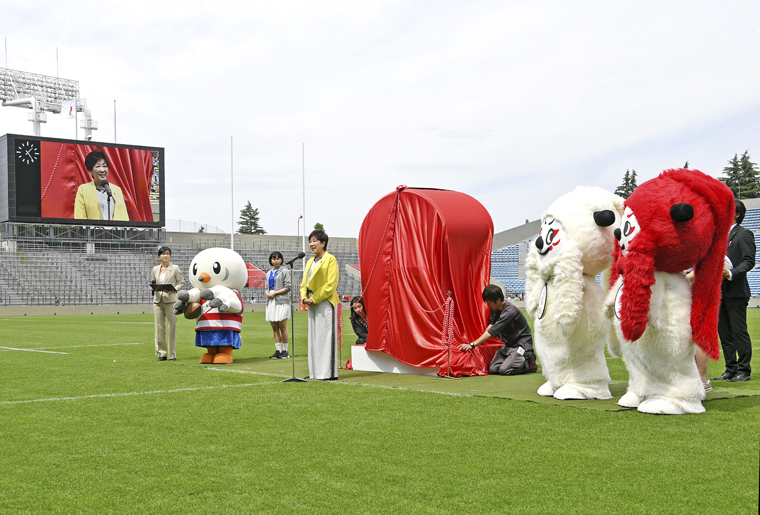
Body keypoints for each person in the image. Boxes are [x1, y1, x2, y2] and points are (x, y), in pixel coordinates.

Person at [713, 199, 755, 383]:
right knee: (725, 333)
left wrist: (730, 273)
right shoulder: (720, 235)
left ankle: (743, 370)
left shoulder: (744, 234)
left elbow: (748, 261)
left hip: (736, 291)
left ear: (736, 214)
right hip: (719, 292)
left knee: (739, 332)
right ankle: (730, 369)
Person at [458, 284, 536, 376]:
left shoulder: (509, 312)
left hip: (521, 347)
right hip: (509, 346)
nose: (487, 304)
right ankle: (514, 360)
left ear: (498, 300)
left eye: (489, 302)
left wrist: (473, 344)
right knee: (493, 369)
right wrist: (481, 338)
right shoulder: (496, 308)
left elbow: (492, 332)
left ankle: (529, 362)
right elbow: (491, 325)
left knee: (504, 370)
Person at [300, 229, 340, 380]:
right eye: (310, 241)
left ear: (323, 243)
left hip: (324, 301)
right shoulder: (310, 261)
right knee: (314, 337)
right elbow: (303, 283)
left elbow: (331, 284)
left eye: (315, 241)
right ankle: (315, 372)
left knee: (325, 336)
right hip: (311, 302)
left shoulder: (330, 259)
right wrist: (305, 297)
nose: (311, 244)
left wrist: (315, 298)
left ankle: (328, 373)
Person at [74, 150, 129, 220]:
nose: (102, 170)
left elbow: (124, 216)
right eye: (98, 166)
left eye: (105, 166)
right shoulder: (83, 189)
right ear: (90, 171)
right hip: (92, 230)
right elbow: (79, 217)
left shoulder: (117, 190)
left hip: (115, 230)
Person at [151, 246, 185, 361]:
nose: (165, 255)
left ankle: (172, 354)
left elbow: (181, 282)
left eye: (167, 253)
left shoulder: (175, 268)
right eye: (163, 254)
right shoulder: (155, 269)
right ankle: (162, 354)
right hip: (157, 300)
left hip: (170, 300)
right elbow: (153, 281)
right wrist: (153, 288)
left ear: (170, 256)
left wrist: (173, 289)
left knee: (171, 327)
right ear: (159, 256)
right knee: (159, 328)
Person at [265, 251, 292, 359]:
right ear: (271, 260)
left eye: (277, 258)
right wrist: (267, 293)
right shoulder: (268, 273)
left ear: (281, 259)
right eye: (273, 258)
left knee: (282, 326)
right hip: (271, 301)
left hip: (281, 301)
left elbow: (288, 287)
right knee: (274, 327)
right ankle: (278, 350)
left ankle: (285, 351)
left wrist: (275, 293)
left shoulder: (284, 271)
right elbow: (266, 287)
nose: (275, 260)